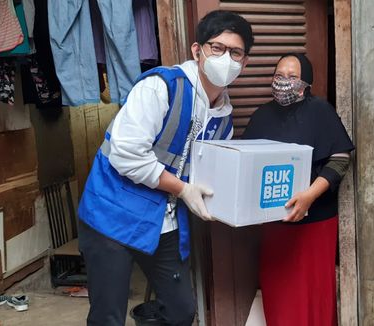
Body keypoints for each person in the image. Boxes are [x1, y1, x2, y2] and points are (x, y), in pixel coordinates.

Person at [77, 10, 253, 326]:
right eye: (217, 48)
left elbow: (209, 171)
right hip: (111, 215)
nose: (226, 58)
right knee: (108, 316)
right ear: (197, 51)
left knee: (181, 310)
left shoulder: (224, 117)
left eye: (235, 52)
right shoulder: (161, 87)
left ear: (244, 63)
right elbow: (127, 154)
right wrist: (182, 188)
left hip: (163, 222)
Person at [242, 53, 354, 326]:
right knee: (279, 290)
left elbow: (340, 159)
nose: (283, 82)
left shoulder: (320, 111)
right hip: (274, 224)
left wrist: (309, 196)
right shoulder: (261, 116)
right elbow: (246, 162)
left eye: (292, 77)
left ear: (306, 83)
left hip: (315, 222)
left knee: (313, 292)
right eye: (279, 76)